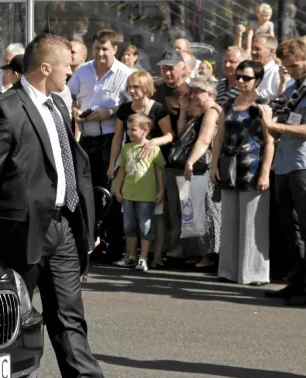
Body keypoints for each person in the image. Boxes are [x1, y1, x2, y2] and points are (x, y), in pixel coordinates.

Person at [0, 33, 150, 378]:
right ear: (45, 67)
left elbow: (70, 167)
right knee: (13, 318)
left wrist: (84, 224)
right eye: (67, 63)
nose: (73, 69)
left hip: (63, 227)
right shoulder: (4, 111)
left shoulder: (59, 105)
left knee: (70, 318)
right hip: (19, 231)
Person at [68, 29, 133, 256]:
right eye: (97, 48)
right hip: (86, 139)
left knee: (110, 193)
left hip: (111, 140)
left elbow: (134, 105)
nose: (100, 53)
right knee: (86, 192)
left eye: (105, 49)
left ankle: (111, 246)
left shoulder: (125, 74)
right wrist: (75, 111)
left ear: (115, 49)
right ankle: (87, 242)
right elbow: (67, 95)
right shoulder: (84, 71)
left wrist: (111, 112)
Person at [211, 59, 273, 285]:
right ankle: (228, 271)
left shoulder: (263, 105)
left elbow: (270, 141)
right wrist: (214, 165)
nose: (240, 81)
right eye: (238, 76)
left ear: (257, 79)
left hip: (253, 166)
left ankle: (254, 273)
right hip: (229, 166)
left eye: (246, 77)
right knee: (229, 220)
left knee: (252, 222)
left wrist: (265, 172)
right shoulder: (227, 104)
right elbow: (218, 138)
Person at [260, 37, 306, 303]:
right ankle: (296, 281)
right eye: (287, 66)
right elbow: (278, 113)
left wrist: (277, 127)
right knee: (289, 228)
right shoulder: (293, 88)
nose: (293, 70)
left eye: (296, 65)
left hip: (302, 165)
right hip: (285, 162)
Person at [173, 77, 222, 268]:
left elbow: (204, 140)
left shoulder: (211, 111)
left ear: (210, 93)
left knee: (206, 213)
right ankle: (197, 252)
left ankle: (208, 256)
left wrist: (190, 162)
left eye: (197, 91)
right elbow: (182, 134)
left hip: (203, 166)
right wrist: (184, 110)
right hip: (196, 166)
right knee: (192, 212)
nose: (192, 95)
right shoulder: (200, 112)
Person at [111, 113, 164, 273]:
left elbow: (159, 171)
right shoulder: (126, 148)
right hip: (128, 195)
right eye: (128, 129)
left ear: (145, 130)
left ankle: (144, 257)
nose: (129, 132)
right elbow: (121, 171)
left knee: (145, 226)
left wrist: (161, 190)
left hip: (146, 196)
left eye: (133, 129)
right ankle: (131, 256)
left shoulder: (154, 149)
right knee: (129, 226)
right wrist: (118, 190)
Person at [252, 33, 282, 98]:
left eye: (257, 49)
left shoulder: (277, 74)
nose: (252, 52)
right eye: (252, 48)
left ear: (271, 52)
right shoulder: (250, 71)